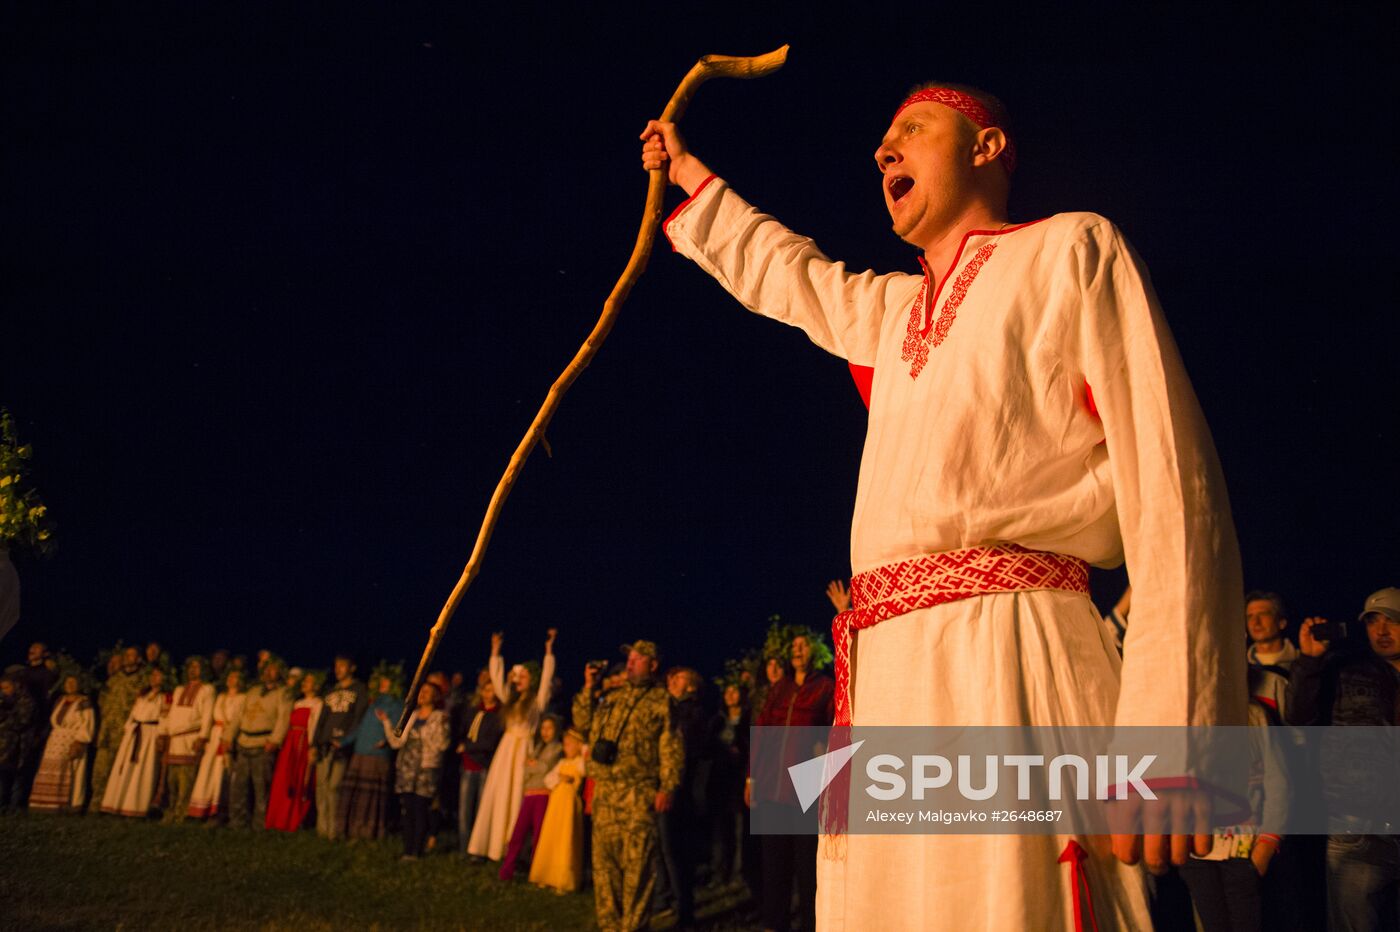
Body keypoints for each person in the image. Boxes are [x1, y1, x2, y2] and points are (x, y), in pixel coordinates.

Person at [643, 81, 1244, 928]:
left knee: (1010, 904)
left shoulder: (1069, 251)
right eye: (883, 139)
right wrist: (694, 177)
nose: (885, 150)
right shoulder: (891, 312)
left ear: (987, 147)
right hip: (889, 674)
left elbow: (1173, 484)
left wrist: (1172, 745)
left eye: (912, 130)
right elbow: (792, 274)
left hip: (1010, 654)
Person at [1287, 587, 1400, 932]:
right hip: (1358, 828)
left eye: (1392, 621)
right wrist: (1309, 661)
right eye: (1372, 621)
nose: (1381, 631)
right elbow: (1298, 716)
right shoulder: (1342, 670)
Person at [573, 640, 683, 932]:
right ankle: (609, 925)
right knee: (605, 870)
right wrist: (589, 687)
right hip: (606, 793)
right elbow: (582, 723)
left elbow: (671, 746)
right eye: (629, 659)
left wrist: (667, 787)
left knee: (638, 871)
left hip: (639, 793)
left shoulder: (662, 700)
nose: (630, 663)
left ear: (653, 664)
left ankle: (632, 928)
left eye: (637, 659)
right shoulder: (612, 698)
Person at [751, 627, 836, 932]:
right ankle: (775, 924)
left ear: (815, 650)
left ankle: (811, 925)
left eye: (803, 645)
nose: (797, 650)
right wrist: (751, 778)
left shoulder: (825, 687)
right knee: (774, 866)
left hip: (806, 789)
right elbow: (762, 732)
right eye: (794, 646)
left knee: (806, 868)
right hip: (773, 787)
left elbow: (836, 732)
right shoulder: (780, 689)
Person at [467, 628, 558, 861]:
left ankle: (513, 850)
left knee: (517, 796)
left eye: (524, 677)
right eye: (519, 677)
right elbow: (498, 682)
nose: (518, 680)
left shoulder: (537, 702)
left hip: (523, 750)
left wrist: (549, 651)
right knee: (499, 793)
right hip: (506, 750)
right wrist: (495, 652)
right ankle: (491, 846)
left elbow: (546, 679)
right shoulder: (511, 700)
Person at [656, 667, 706, 926]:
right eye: (671, 677)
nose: (672, 680)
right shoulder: (668, 706)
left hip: (681, 791)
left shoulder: (693, 712)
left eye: (680, 677)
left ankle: (684, 909)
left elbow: (685, 749)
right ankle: (663, 899)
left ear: (692, 686)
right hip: (666, 786)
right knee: (661, 848)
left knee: (673, 851)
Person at [379, 681, 450, 860]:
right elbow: (398, 741)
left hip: (425, 769)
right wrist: (387, 723)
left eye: (427, 691)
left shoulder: (440, 717)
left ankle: (417, 850)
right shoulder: (412, 716)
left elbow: (442, 744)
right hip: (407, 768)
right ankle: (407, 849)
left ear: (435, 696)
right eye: (421, 691)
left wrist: (429, 732)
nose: (423, 694)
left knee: (420, 808)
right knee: (408, 809)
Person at [226, 656, 292, 829]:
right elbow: (238, 716)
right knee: (239, 787)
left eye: (273, 669)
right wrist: (228, 736)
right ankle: (237, 822)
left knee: (261, 788)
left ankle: (260, 824)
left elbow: (283, 718)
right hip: (244, 742)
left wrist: (275, 740)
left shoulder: (283, 693)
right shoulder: (253, 691)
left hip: (263, 744)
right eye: (266, 669)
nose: (268, 673)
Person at [337, 664, 401, 840]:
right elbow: (360, 727)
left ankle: (368, 832)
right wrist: (344, 742)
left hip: (377, 756)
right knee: (356, 795)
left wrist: (386, 742)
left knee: (371, 798)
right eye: (381, 681)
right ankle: (349, 830)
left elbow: (396, 730)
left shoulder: (397, 705)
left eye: (386, 682)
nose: (382, 684)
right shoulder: (374, 703)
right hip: (360, 753)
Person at [499, 714, 564, 881]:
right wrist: (534, 765)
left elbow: (545, 768)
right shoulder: (538, 747)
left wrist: (534, 765)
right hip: (529, 794)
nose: (546, 732)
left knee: (538, 835)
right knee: (518, 833)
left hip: (543, 795)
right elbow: (527, 768)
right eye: (543, 728)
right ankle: (507, 869)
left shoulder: (557, 748)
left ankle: (537, 871)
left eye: (549, 728)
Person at [101, 665, 170, 817]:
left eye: (158, 675)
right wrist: (128, 729)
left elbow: (164, 718)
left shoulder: (165, 696)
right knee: (125, 767)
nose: (154, 678)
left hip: (149, 735)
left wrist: (161, 735)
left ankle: (136, 806)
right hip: (134, 733)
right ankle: (117, 803)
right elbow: (133, 713)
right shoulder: (143, 694)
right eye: (152, 675)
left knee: (143, 769)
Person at [312, 654, 368, 839]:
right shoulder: (330, 691)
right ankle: (322, 829)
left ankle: (334, 831)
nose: (338, 669)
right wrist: (315, 743)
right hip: (324, 745)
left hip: (342, 747)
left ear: (352, 668)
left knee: (335, 786)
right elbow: (322, 719)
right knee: (322, 786)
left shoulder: (359, 689)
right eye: (336, 666)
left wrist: (346, 740)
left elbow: (358, 718)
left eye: (342, 666)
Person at [707, 677, 754, 893]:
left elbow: (751, 745)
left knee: (739, 829)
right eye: (727, 691)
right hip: (720, 781)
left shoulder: (747, 719)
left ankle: (740, 872)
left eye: (735, 691)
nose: (731, 695)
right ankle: (719, 871)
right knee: (720, 830)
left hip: (739, 780)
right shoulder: (717, 720)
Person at [530, 725, 589, 893]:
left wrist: (583, 748)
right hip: (556, 806)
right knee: (552, 838)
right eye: (565, 744)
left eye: (570, 744)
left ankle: (564, 880)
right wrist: (559, 778)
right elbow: (549, 779)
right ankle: (546, 875)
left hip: (569, 807)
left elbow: (585, 768)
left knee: (566, 839)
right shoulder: (562, 763)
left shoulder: (579, 764)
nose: (566, 747)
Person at [265, 668, 323, 832]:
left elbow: (313, 726)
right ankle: (278, 818)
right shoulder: (297, 703)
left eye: (308, 681)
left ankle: (296, 819)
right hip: (290, 744)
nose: (304, 684)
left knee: (300, 779)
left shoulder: (318, 704)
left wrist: (311, 746)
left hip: (302, 743)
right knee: (284, 778)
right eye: (304, 682)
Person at [27, 674, 94, 812]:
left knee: (69, 771)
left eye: (73, 682)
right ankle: (45, 803)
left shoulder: (84, 702)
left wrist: (80, 741)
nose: (70, 685)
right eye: (67, 682)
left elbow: (88, 723)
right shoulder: (60, 700)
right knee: (50, 768)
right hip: (56, 739)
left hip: (72, 739)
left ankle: (67, 804)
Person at [160, 655, 215, 823]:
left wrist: (203, 736)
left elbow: (207, 715)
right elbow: (170, 713)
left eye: (197, 667)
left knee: (186, 779)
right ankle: (170, 811)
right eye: (191, 667)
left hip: (190, 737)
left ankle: (181, 813)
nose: (193, 670)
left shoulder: (207, 689)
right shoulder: (178, 690)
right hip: (175, 739)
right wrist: (163, 732)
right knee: (171, 780)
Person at [455, 674, 504, 856]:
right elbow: (463, 731)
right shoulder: (473, 711)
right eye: (485, 689)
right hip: (467, 765)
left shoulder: (497, 716)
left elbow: (489, 743)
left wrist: (467, 747)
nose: (487, 693)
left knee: (480, 810)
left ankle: (477, 849)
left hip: (483, 765)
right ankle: (464, 847)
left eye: (491, 690)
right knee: (464, 810)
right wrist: (463, 743)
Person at [188, 668, 246, 820]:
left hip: (228, 735)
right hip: (215, 736)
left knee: (224, 770)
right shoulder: (221, 697)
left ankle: (220, 808)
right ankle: (202, 808)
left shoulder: (242, 698)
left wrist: (229, 736)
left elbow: (238, 717)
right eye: (230, 677)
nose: (231, 680)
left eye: (234, 677)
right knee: (208, 769)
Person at [92, 646, 145, 801]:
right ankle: (96, 801)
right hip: (107, 731)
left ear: (138, 659)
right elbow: (102, 702)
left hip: (125, 732)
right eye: (126, 655)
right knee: (100, 768)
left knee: (121, 769)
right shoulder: (114, 679)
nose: (128, 658)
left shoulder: (142, 680)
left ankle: (115, 801)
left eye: (132, 655)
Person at [1245, 590, 1300, 718]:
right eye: (1250, 616)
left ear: (1282, 622)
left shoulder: (1302, 667)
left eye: (1263, 614)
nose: (1255, 622)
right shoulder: (1239, 668)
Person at [0, 666, 36, 808]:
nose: (4, 691)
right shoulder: (4, 702)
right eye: (2, 688)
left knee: (17, 777)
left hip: (19, 746)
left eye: (7, 687)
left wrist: (6, 718)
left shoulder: (26, 701)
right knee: (2, 776)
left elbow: (21, 721)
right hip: (3, 747)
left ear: (16, 686)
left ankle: (15, 806)